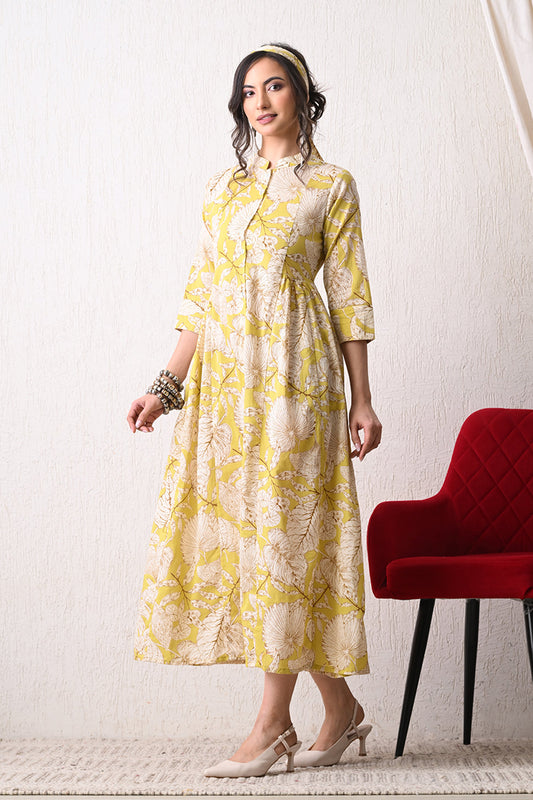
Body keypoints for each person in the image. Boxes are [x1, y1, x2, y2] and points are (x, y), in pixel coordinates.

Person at [127, 42, 382, 779]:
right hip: (224, 396)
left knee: (282, 544)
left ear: (303, 97)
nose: (261, 101)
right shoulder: (222, 192)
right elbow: (199, 306)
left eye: (275, 87)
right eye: (248, 92)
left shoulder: (331, 186)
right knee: (257, 550)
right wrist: (164, 389)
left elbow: (349, 296)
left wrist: (362, 397)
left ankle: (271, 727)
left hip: (297, 386)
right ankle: (340, 710)